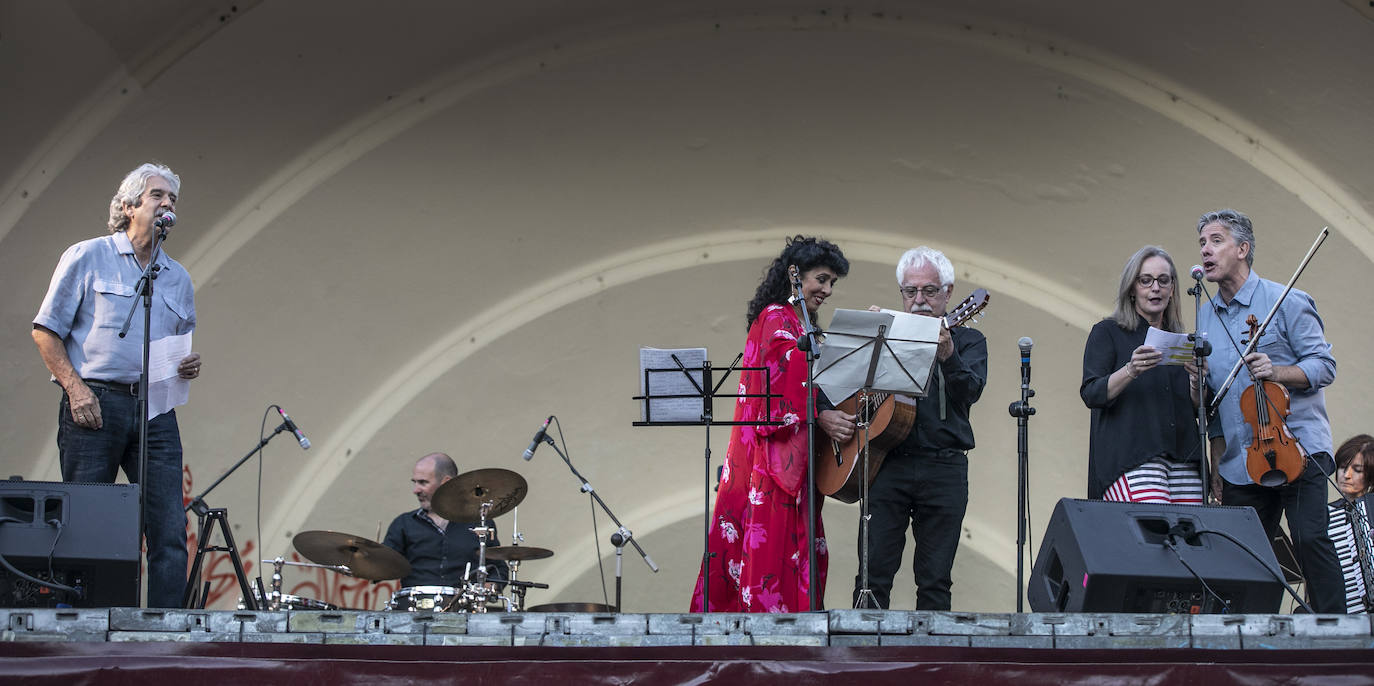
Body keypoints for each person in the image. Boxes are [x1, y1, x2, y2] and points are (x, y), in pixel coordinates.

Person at [32, 162, 202, 608]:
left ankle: (167, 626)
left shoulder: (178, 277)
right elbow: (45, 331)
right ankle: (81, 623)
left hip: (156, 408)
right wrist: (75, 388)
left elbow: (179, 344)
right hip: (96, 403)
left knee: (168, 527)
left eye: (172, 198)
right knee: (87, 523)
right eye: (157, 195)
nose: (167, 204)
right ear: (128, 207)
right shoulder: (88, 256)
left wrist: (187, 365)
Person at [1196, 208, 1346, 614]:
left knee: (1311, 540)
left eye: (1215, 241)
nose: (1205, 250)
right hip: (1240, 460)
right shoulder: (1204, 316)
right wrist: (1214, 450)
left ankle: (1335, 633)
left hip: (1297, 448)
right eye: (1202, 244)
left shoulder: (1288, 301)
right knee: (1243, 558)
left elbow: (1324, 366)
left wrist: (1278, 371)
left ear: (1243, 249)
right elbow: (1214, 398)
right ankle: (1250, 645)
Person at [689, 235, 849, 612]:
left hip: (788, 457)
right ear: (795, 275)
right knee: (771, 549)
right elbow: (780, 384)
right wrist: (822, 415)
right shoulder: (778, 318)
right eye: (821, 279)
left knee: (791, 549)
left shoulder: (795, 322)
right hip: (771, 461)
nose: (826, 290)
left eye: (831, 283)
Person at [830, 246, 987, 610]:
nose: (919, 300)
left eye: (929, 291)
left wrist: (949, 356)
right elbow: (832, 384)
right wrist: (827, 414)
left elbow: (971, 392)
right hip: (886, 463)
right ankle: (864, 660)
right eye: (910, 291)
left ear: (948, 293)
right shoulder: (881, 335)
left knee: (935, 580)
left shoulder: (967, 341)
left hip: (944, 466)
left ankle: (933, 666)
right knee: (871, 576)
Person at [1081, 246, 1203, 503]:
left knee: (1193, 537)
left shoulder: (1181, 339)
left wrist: (1196, 381)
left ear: (1172, 289)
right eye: (1145, 280)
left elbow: (1197, 408)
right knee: (1152, 534)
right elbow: (1092, 393)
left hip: (1185, 459)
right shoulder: (1108, 331)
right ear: (1132, 289)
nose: (1155, 288)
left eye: (1163, 280)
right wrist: (1130, 369)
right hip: (1133, 459)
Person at [382, 453, 507, 589]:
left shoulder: (479, 522)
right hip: (414, 607)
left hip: (463, 606)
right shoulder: (404, 524)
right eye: (415, 482)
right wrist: (364, 561)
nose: (416, 490)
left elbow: (499, 569)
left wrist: (489, 587)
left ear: (445, 483)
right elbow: (382, 563)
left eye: (423, 482)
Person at [1328, 434, 1374, 614]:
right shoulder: (1326, 515)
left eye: (1357, 469)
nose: (1346, 475)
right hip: (1346, 614)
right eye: (1342, 467)